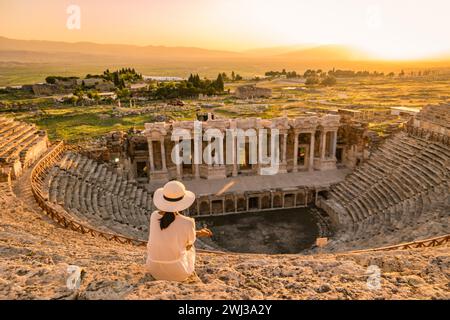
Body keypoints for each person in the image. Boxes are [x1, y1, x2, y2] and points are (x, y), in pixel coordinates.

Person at [145, 180, 212, 281]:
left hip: (153, 268)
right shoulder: (188, 222)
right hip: (177, 273)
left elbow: (169, 231)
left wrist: (198, 232)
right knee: (190, 246)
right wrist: (199, 233)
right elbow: (188, 244)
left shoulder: (154, 216)